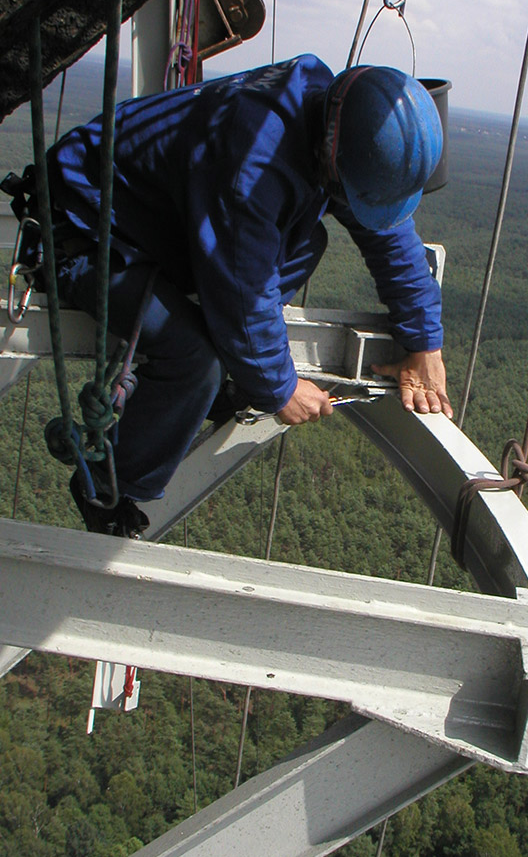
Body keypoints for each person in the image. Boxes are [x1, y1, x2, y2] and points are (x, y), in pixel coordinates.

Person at [47, 53, 453, 535]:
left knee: (308, 242)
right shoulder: (252, 168)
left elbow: (388, 235)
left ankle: (228, 377)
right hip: (85, 230)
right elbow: (244, 294)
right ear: (332, 153)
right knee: (194, 359)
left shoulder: (332, 118)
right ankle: (106, 484)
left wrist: (424, 342)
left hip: (163, 222)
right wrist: (279, 388)